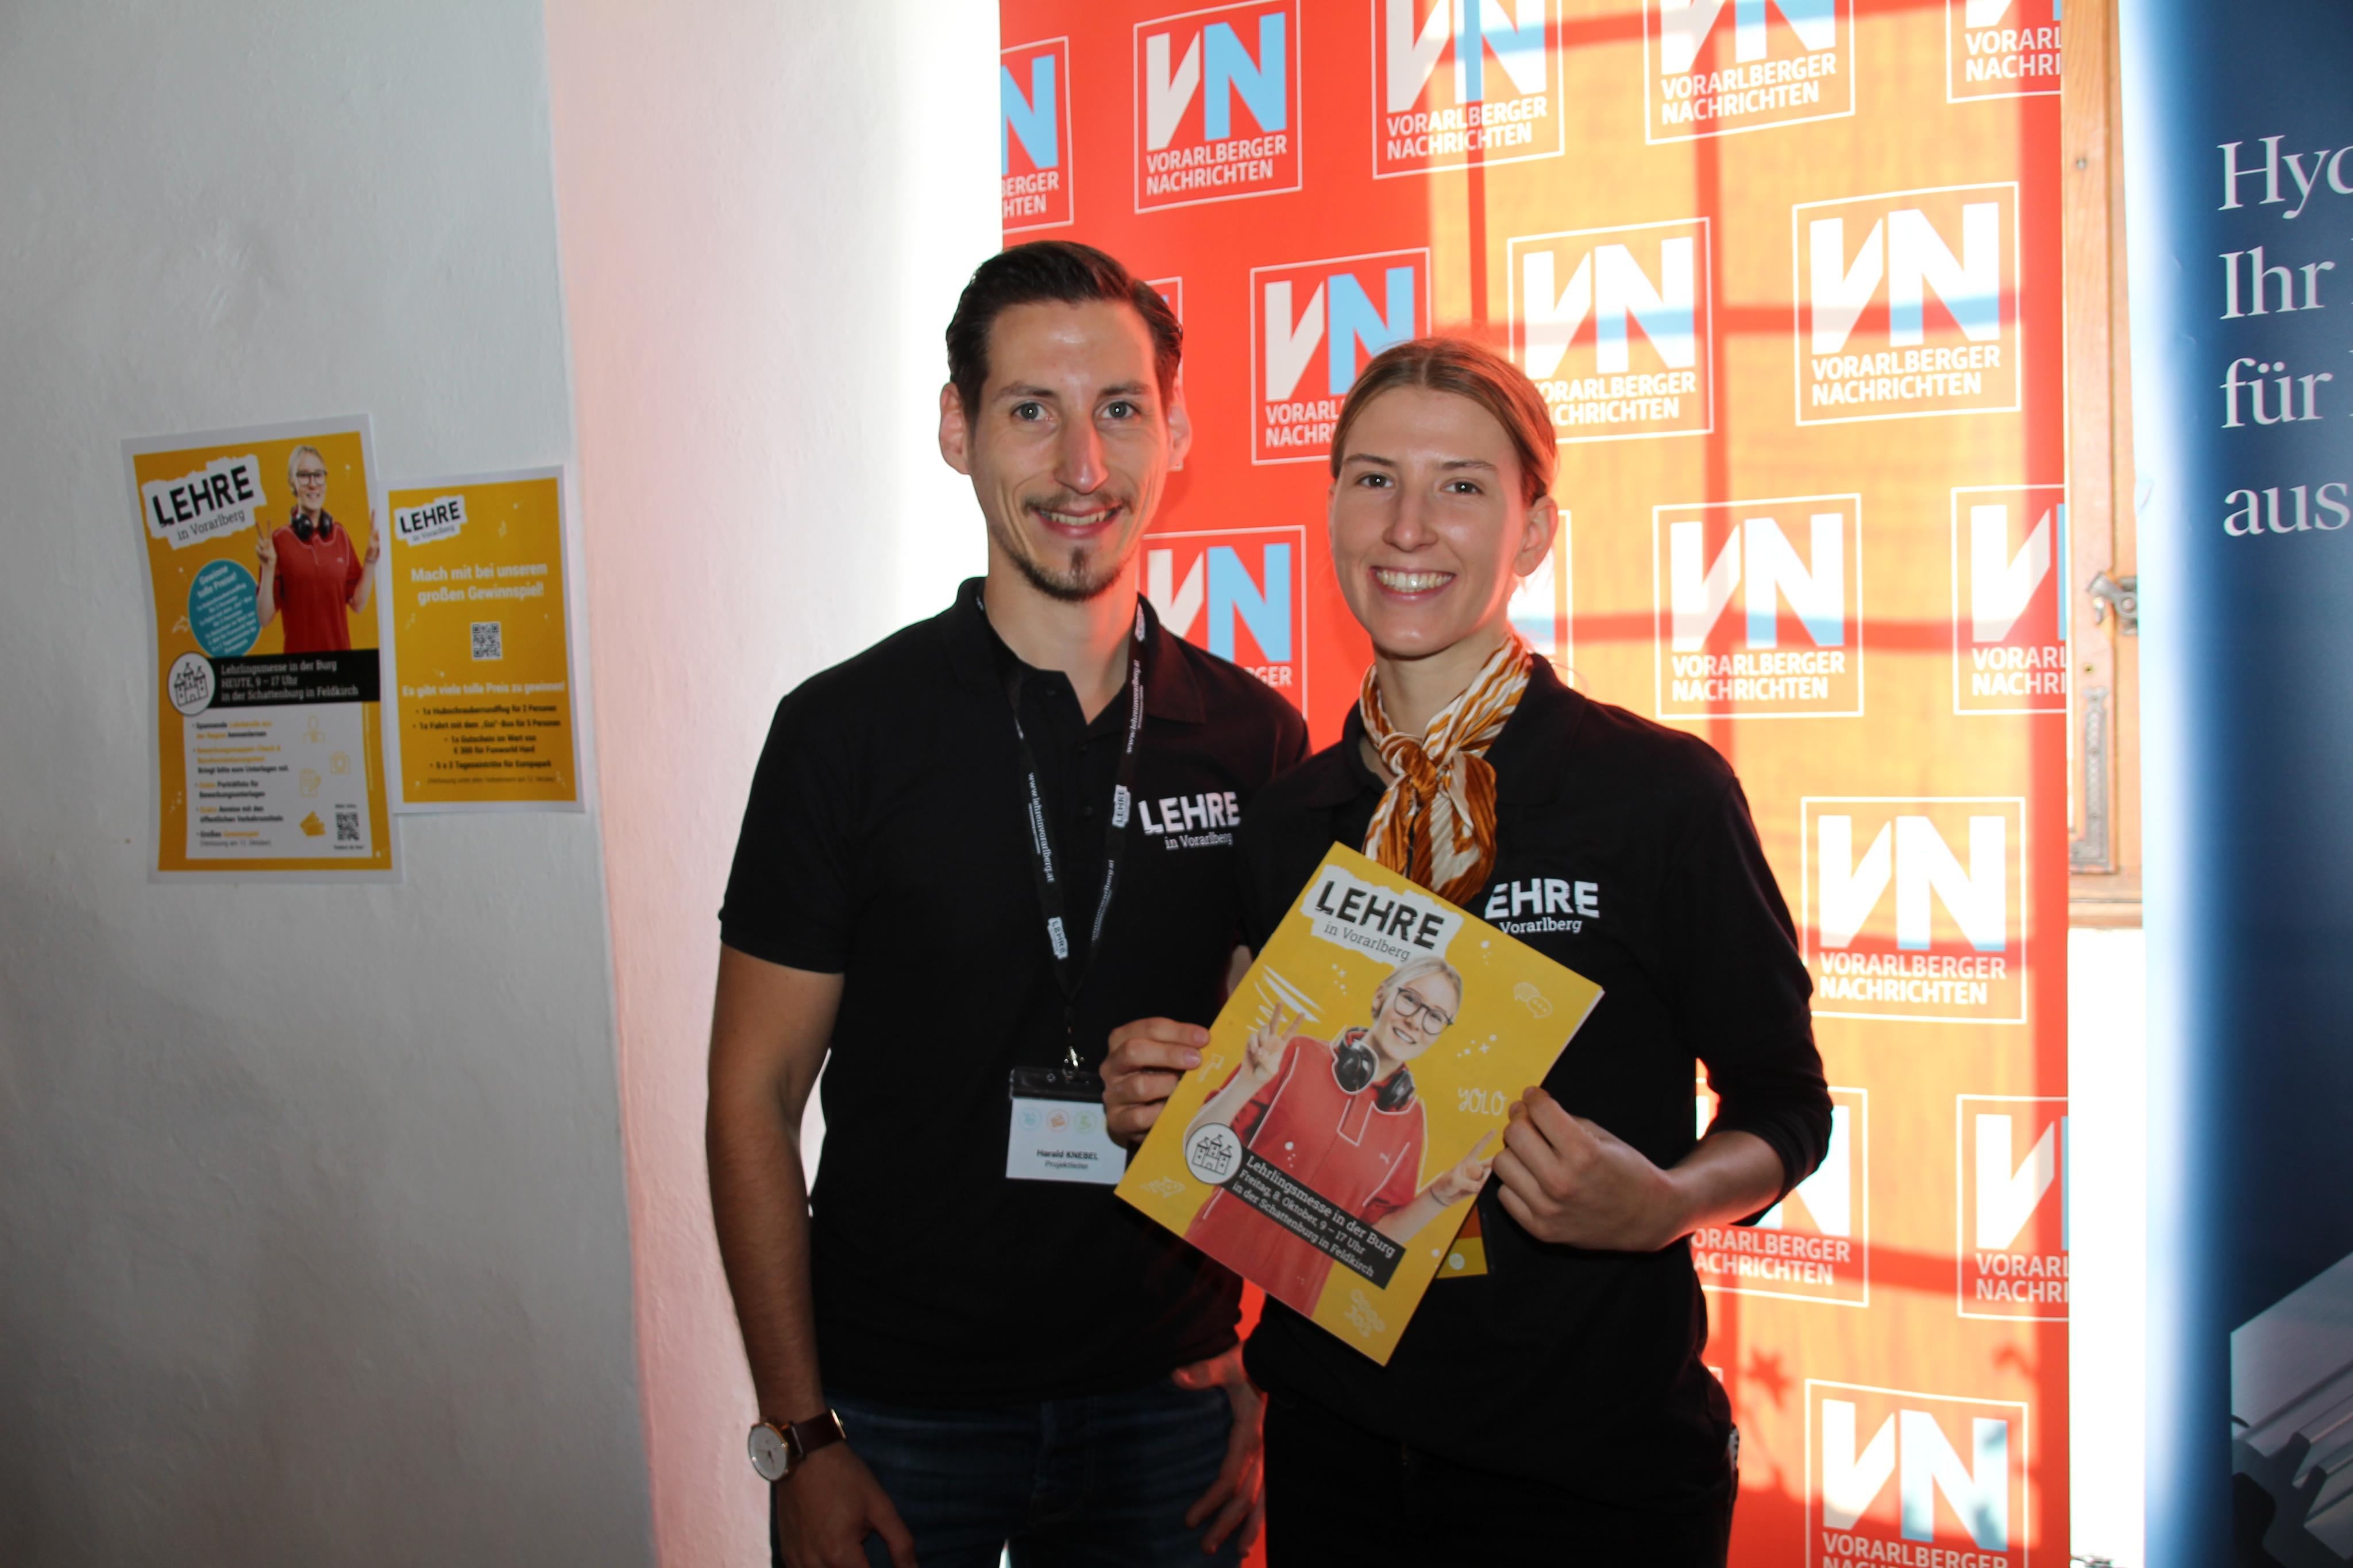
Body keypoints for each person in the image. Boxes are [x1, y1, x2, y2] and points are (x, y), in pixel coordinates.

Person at [1104, 338, 1833, 1566]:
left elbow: (1786, 1106)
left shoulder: (1654, 796)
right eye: (1373, 480)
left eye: (1460, 486)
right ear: (1332, 508)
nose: (1408, 527)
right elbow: (1278, 1123)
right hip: (1337, 1457)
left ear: (1532, 530)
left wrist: (1664, 1205)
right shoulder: (1290, 822)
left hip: (1588, 1474)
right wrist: (1176, 1104)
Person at [709, 240, 1309, 1568]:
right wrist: (798, 1435)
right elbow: (751, 1096)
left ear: (1176, 434)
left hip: (1167, 1399)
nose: (1081, 466)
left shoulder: (1255, 739)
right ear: (956, 428)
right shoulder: (843, 733)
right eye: (1032, 410)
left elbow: (1300, 1089)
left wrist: (1270, 1366)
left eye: (1119, 410)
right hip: (893, 1409)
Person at [1181, 956, 1495, 1315]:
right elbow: (1198, 1149)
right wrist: (1246, 1082)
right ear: (1381, 996)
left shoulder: (1411, 1121)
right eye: (1410, 999)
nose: (1416, 1021)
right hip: (1198, 1266)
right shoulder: (1295, 1053)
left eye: (1435, 1017)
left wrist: (1438, 1197)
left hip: (1292, 1308)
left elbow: (1370, 1247)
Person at [254, 443, 377, 653]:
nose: (313, 484)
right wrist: (268, 568)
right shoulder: (279, 540)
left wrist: (371, 560)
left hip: (340, 665)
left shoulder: (340, 535)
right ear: (292, 482)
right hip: (301, 668)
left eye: (318, 475)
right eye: (304, 476)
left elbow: (358, 604)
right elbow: (264, 618)